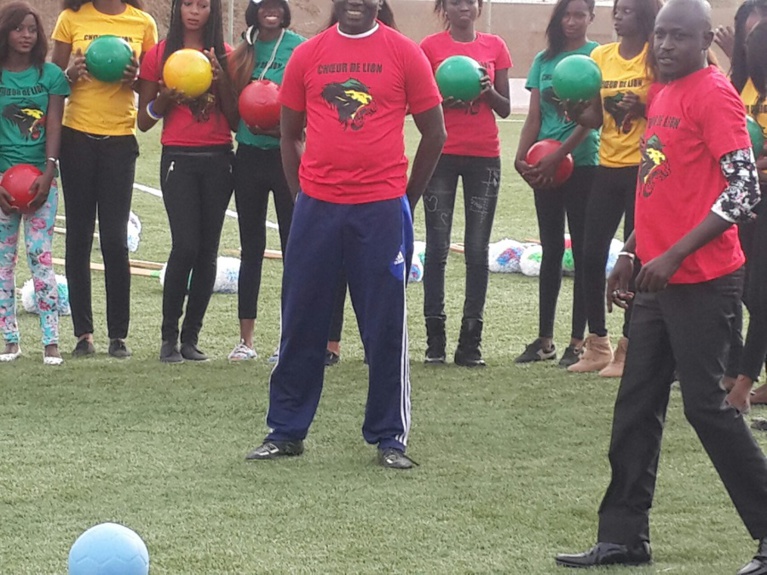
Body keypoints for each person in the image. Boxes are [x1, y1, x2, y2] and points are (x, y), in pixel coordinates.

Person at [555, 1, 767, 571]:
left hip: (704, 282)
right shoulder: (663, 93)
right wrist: (632, 251)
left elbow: (744, 191)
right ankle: (624, 538)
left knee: (709, 408)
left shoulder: (713, 94)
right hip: (656, 281)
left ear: (704, 41)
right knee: (635, 407)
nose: (666, 45)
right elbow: (659, 182)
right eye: (661, 35)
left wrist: (672, 255)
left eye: (679, 36)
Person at [244, 0, 446, 469]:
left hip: (380, 209)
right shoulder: (309, 54)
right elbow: (289, 132)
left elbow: (434, 133)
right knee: (300, 319)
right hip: (318, 208)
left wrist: (404, 200)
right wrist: (302, 196)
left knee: (384, 325)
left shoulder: (404, 52)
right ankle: (286, 430)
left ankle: (390, 437)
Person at [51, 0, 157, 359]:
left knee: (114, 239)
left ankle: (118, 336)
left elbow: (150, 89)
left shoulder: (142, 22)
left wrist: (136, 78)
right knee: (78, 236)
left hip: (119, 140)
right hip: (76, 137)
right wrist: (71, 73)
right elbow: (53, 81)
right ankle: (84, 335)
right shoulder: (71, 18)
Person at [136, 0, 237, 363]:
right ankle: (168, 339)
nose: (195, 11)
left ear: (213, 11)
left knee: (208, 250)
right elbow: (144, 121)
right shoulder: (160, 54)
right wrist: (163, 100)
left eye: (203, 5)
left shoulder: (225, 53)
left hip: (219, 159)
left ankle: (191, 338)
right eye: (188, 4)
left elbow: (237, 120)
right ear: (178, 9)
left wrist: (222, 78)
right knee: (185, 246)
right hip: (178, 158)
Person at [565, 0, 660, 376]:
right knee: (590, 254)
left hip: (644, 169)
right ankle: (597, 345)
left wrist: (642, 107)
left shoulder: (656, 56)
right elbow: (594, 116)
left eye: (629, 10)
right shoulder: (601, 56)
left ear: (646, 15)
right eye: (617, 9)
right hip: (608, 166)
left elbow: (669, 111)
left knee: (635, 260)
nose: (619, 15)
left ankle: (628, 347)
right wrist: (574, 111)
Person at [419, 0, 511, 367]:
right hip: (440, 155)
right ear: (445, 7)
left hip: (484, 156)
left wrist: (486, 91)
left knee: (477, 248)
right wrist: (441, 100)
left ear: (478, 7)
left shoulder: (495, 46)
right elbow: (419, 106)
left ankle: (470, 343)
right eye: (455, 2)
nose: (463, 8)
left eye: (469, 2)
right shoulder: (430, 48)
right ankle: (435, 342)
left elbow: (504, 108)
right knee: (437, 248)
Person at [513, 0, 599, 367]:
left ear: (592, 18)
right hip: (543, 165)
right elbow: (534, 116)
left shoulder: (598, 56)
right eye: (566, 13)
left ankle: (577, 341)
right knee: (550, 249)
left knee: (581, 252)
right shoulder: (543, 61)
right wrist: (522, 157)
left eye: (580, 13)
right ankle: (544, 340)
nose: (572, 20)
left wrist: (560, 154)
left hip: (581, 166)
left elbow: (593, 118)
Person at [226, 0, 305, 362]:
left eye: (277, 5)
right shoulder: (243, 47)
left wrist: (286, 129)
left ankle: (288, 339)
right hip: (248, 156)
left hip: (285, 156)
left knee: (294, 248)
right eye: (263, 5)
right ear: (253, 11)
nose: (270, 11)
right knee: (251, 247)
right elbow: (231, 113)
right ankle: (246, 340)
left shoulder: (299, 47)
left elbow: (308, 103)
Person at [0, 1, 69, 366]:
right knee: (3, 263)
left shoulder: (51, 75)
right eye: (18, 29)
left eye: (31, 29)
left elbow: (54, 124)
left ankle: (51, 342)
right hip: (2, 182)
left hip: (41, 182)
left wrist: (49, 172)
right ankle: (10, 340)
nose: (26, 36)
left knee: (41, 259)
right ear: (5, 33)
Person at [725, 20, 767, 411]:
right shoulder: (744, 85)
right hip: (756, 199)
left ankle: (743, 384)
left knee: (759, 292)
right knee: (753, 291)